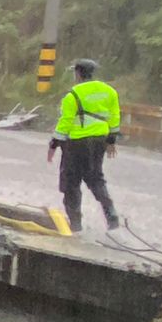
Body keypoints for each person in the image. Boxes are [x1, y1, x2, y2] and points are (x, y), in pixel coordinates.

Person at [48, 58, 121, 232]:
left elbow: (65, 123)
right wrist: (111, 141)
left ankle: (75, 225)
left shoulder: (73, 95)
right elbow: (115, 117)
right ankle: (111, 215)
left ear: (78, 73)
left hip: (77, 143)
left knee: (71, 182)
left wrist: (53, 144)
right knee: (96, 178)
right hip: (99, 141)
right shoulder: (109, 91)